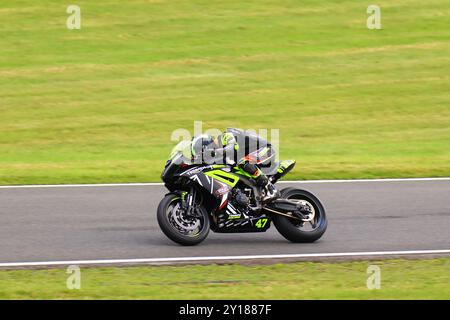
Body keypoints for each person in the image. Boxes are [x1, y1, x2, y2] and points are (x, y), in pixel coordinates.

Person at [191, 130, 278, 202]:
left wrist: (214, 152)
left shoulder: (225, 136)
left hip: (266, 149)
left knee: (244, 162)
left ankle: (271, 188)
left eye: (202, 153)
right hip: (252, 155)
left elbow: (232, 148)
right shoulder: (219, 153)